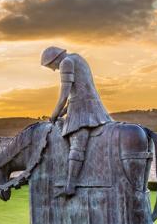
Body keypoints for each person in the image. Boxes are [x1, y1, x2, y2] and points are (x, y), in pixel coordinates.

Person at [41, 46, 112, 197]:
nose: (53, 70)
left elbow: (64, 96)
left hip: (84, 110)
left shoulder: (66, 62)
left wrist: (54, 114)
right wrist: (63, 112)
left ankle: (70, 185)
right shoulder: (77, 58)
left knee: (77, 146)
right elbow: (77, 93)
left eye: (51, 66)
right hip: (87, 105)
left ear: (54, 59)